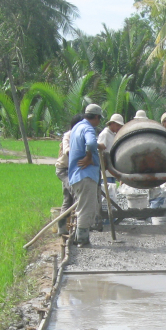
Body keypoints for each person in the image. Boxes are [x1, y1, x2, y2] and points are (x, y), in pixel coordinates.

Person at [68, 104, 104, 244]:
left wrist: (97, 146)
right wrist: (89, 157)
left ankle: (78, 238)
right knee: (86, 209)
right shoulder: (89, 128)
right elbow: (89, 142)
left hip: (76, 175)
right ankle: (83, 240)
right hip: (85, 175)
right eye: (99, 119)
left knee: (83, 207)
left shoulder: (77, 127)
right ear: (96, 117)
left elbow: (88, 143)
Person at [55, 114, 85, 236]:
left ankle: (64, 228)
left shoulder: (81, 135)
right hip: (64, 170)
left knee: (68, 199)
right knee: (76, 193)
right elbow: (67, 149)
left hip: (74, 170)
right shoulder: (69, 135)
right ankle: (76, 227)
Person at [99, 114, 124, 198]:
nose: (119, 127)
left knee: (111, 195)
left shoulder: (113, 135)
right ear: (111, 124)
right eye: (117, 125)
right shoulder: (105, 134)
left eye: (120, 126)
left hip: (111, 171)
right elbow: (100, 151)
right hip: (105, 172)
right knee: (106, 196)